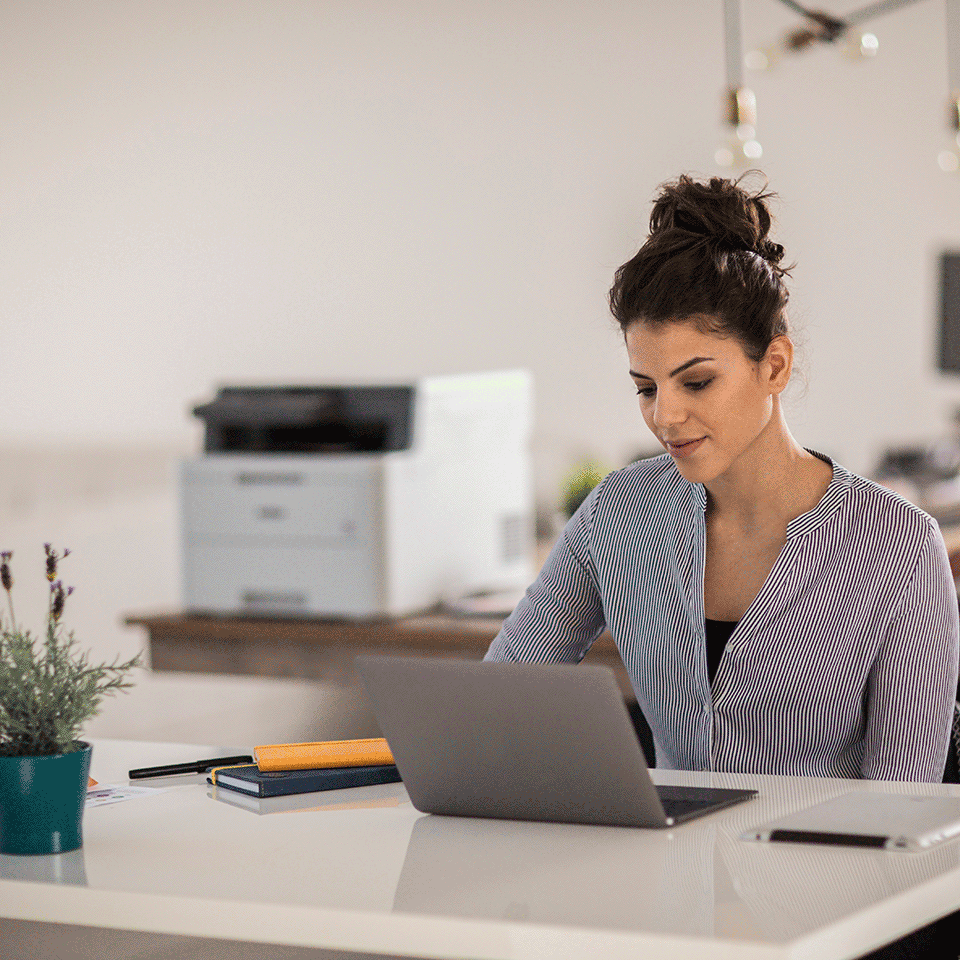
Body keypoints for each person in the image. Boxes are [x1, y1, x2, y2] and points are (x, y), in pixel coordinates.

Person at [485, 173, 959, 783]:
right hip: (662, 869)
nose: (666, 416)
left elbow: (902, 815)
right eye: (646, 388)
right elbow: (499, 698)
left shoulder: (897, 547)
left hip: (823, 874)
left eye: (697, 381)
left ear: (776, 366)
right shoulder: (620, 513)